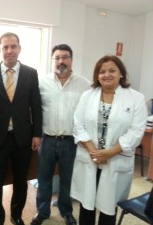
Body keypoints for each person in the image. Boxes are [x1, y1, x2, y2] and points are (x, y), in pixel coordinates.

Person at [71, 55, 147, 225]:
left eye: (112, 70)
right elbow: (78, 124)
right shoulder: (87, 95)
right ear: (97, 75)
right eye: (102, 71)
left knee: (108, 206)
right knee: (86, 204)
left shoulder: (136, 98)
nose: (107, 75)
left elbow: (136, 132)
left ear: (121, 73)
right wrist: (94, 152)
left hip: (116, 158)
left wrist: (109, 153)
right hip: (90, 157)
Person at [31, 44, 90, 225]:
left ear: (71, 60)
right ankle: (42, 212)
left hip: (72, 141)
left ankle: (66, 211)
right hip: (47, 140)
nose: (61, 61)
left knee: (67, 179)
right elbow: (34, 110)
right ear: (52, 61)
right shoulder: (41, 83)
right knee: (44, 178)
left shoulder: (85, 85)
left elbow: (88, 113)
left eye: (65, 57)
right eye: (57, 58)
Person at [0, 32, 43, 225]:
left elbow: (36, 105)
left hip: (23, 137)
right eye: (5, 47)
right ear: (0, 49)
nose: (9, 51)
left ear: (19, 48)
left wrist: (37, 133)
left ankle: (16, 215)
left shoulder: (31, 73)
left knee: (21, 180)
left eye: (13, 46)